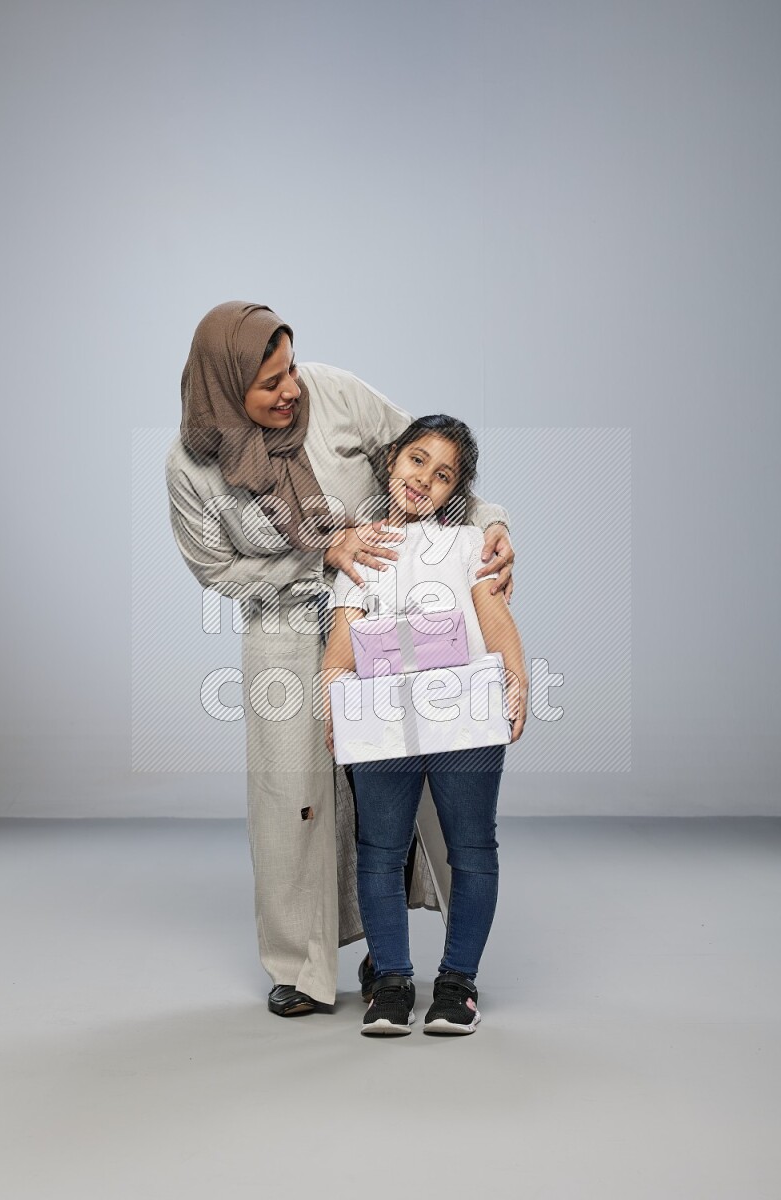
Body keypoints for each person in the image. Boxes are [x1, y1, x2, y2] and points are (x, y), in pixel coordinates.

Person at [165, 301, 515, 1016]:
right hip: (286, 624)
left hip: (398, 609)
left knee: (402, 783)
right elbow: (216, 567)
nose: (290, 388)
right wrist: (321, 556)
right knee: (292, 799)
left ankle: (409, 962)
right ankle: (300, 966)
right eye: (268, 383)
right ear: (225, 388)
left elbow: (428, 456)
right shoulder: (190, 468)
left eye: (289, 366)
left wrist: (493, 526)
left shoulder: (335, 394)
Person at [320, 414, 527, 1036]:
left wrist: (515, 684)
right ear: (391, 464)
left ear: (453, 493)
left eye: (443, 476)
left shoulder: (469, 545)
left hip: (466, 720)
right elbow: (340, 649)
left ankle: (458, 983)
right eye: (416, 461)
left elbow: (495, 625)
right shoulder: (362, 550)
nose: (424, 480)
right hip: (384, 722)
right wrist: (335, 703)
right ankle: (391, 982)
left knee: (471, 849)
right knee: (379, 852)